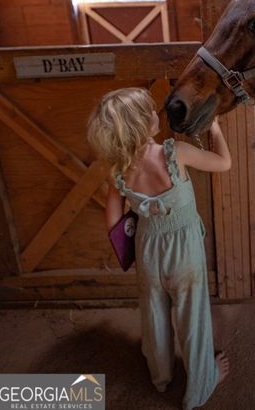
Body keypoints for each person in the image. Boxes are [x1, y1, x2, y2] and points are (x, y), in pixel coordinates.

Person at [87, 87, 231, 410]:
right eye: (151, 111)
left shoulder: (118, 170)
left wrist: (134, 239)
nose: (157, 114)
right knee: (191, 316)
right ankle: (201, 383)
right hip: (184, 251)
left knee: (153, 313)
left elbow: (112, 219)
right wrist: (216, 128)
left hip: (148, 250)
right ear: (142, 124)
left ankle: (160, 376)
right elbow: (224, 163)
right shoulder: (175, 152)